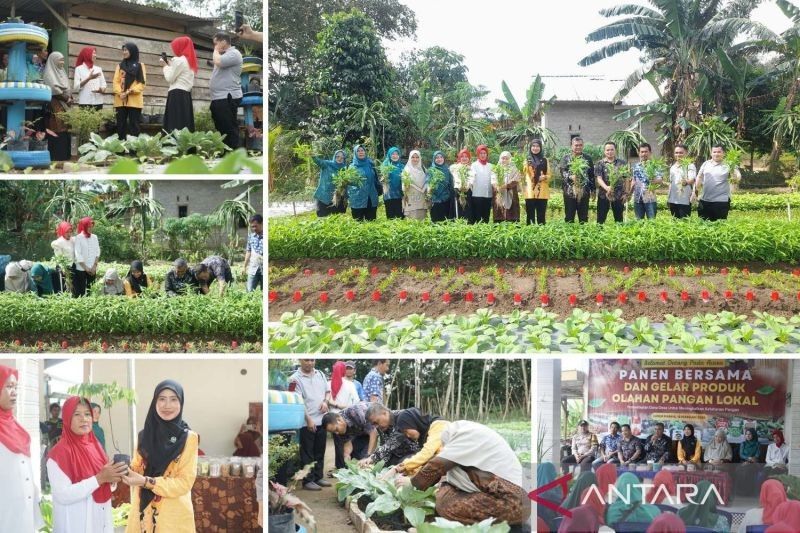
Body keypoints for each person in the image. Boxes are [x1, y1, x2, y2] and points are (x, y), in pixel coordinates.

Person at [398, 420, 530, 526]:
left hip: (515, 502)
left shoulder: (465, 435)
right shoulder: (472, 433)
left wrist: (411, 483)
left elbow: (436, 466)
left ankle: (439, 528)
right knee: (445, 490)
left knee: (446, 504)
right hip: (510, 497)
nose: (444, 448)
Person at [123, 380, 198, 533]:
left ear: (181, 402)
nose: (167, 405)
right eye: (162, 399)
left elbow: (184, 482)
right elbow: (137, 468)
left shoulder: (189, 438)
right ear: (154, 402)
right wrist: (125, 470)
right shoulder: (143, 436)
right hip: (143, 514)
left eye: (173, 399)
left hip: (172, 517)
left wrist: (147, 482)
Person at [47, 396, 127, 533]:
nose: (84, 419)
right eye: (77, 414)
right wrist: (99, 479)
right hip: (75, 522)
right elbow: (63, 494)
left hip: (101, 519)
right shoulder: (59, 453)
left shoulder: (95, 446)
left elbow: (104, 478)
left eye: (87, 414)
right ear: (66, 419)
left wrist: (113, 478)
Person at [0, 365, 44, 532]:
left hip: (23, 515)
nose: (14, 392)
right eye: (9, 386)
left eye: (16, 387)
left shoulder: (16, 427)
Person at [289, 360, 332, 491]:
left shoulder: (321, 374)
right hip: (306, 421)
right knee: (307, 453)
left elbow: (328, 392)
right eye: (306, 359)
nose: (309, 363)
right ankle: (308, 480)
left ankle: (318, 477)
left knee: (320, 450)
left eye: (312, 360)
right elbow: (297, 401)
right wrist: (308, 419)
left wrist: (325, 402)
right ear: (300, 360)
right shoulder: (294, 379)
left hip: (322, 420)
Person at [377, 408, 447, 476]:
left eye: (406, 431)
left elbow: (426, 454)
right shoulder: (424, 435)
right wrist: (407, 472)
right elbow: (425, 462)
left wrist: (398, 468)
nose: (407, 435)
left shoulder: (439, 425)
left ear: (412, 423)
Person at [209, 32, 243, 149]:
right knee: (221, 127)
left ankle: (235, 153)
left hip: (227, 96)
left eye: (216, 43)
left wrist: (215, 50)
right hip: (219, 97)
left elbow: (218, 62)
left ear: (223, 42)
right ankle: (227, 151)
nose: (215, 46)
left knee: (228, 126)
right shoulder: (224, 55)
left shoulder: (234, 53)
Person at [361, 403, 422, 468]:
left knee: (402, 463)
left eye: (376, 422)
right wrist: (373, 463)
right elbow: (384, 446)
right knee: (384, 466)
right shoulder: (381, 426)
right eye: (373, 424)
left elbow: (394, 441)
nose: (376, 426)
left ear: (384, 413)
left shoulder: (402, 416)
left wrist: (373, 458)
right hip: (398, 455)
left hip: (418, 452)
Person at [696, 144, 740, 221]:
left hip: (721, 201)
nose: (716, 154)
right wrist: (695, 192)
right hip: (705, 200)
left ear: (723, 153)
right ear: (711, 153)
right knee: (702, 224)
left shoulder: (729, 164)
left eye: (719, 152)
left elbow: (737, 178)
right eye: (714, 152)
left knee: (720, 225)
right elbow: (699, 177)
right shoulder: (706, 164)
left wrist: (733, 175)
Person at [162, 36, 197, 132]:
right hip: (186, 95)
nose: (174, 50)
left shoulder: (179, 60)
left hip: (176, 94)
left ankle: (172, 146)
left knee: (173, 123)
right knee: (184, 123)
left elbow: (169, 78)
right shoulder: (190, 61)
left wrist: (165, 67)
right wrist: (171, 66)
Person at [42, 51, 73, 162]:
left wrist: (70, 97)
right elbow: (54, 90)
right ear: (54, 60)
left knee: (65, 129)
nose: (62, 62)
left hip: (65, 104)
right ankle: (56, 157)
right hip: (54, 105)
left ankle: (65, 155)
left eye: (63, 59)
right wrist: (66, 99)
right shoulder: (49, 73)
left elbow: (67, 87)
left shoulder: (61, 71)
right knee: (57, 128)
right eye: (60, 59)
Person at [113, 42, 147, 139]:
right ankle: (121, 148)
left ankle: (133, 150)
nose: (124, 52)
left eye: (126, 50)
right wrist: (120, 93)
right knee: (121, 126)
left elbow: (142, 83)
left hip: (134, 101)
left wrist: (128, 92)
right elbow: (116, 82)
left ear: (132, 51)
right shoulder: (119, 66)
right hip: (120, 100)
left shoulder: (140, 66)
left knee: (134, 126)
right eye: (123, 50)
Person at [559, 137, 595, 223]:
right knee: (569, 216)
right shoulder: (566, 158)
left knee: (583, 217)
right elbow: (563, 172)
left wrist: (593, 189)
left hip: (584, 192)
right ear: (571, 146)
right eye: (576, 145)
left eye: (580, 145)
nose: (578, 147)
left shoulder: (587, 158)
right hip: (569, 192)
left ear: (583, 146)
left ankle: (583, 235)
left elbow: (591, 175)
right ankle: (569, 236)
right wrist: (570, 177)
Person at [595, 141, 628, 223]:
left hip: (619, 195)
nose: (610, 152)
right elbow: (599, 178)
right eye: (607, 150)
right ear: (604, 151)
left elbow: (626, 179)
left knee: (619, 219)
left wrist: (626, 193)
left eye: (612, 150)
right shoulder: (600, 164)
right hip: (603, 195)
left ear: (615, 150)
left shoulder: (622, 163)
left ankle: (618, 234)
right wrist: (607, 188)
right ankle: (599, 234)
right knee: (601, 219)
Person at [348, 145, 381, 221]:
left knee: (371, 221)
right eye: (358, 151)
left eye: (362, 150)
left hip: (371, 197)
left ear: (365, 152)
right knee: (358, 222)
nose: (361, 152)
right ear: (355, 153)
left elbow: (375, 179)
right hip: (358, 198)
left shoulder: (370, 164)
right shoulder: (352, 167)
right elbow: (349, 183)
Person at [630, 143, 663, 219]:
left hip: (650, 198)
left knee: (651, 221)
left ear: (650, 152)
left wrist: (654, 181)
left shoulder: (655, 165)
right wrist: (629, 193)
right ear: (639, 153)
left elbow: (660, 180)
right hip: (637, 198)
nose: (644, 154)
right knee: (639, 221)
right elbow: (634, 181)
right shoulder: (636, 166)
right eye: (642, 152)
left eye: (646, 151)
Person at [313, 150, 348, 216]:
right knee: (323, 218)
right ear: (334, 156)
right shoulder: (327, 164)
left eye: (342, 157)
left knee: (337, 219)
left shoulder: (345, 169)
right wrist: (312, 155)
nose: (339, 158)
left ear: (344, 159)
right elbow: (319, 162)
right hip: (324, 197)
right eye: (338, 156)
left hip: (338, 198)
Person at [524, 139, 550, 225]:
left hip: (542, 191)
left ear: (541, 148)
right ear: (530, 147)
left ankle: (541, 236)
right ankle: (530, 235)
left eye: (538, 146)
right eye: (533, 146)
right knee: (530, 216)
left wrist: (544, 177)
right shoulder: (526, 160)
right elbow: (524, 174)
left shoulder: (545, 160)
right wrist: (534, 178)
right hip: (530, 191)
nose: (535, 148)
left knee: (541, 216)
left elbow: (550, 175)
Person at [73, 217, 100, 298]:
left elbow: (97, 251)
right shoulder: (78, 237)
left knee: (91, 289)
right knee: (81, 290)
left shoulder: (95, 237)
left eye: (92, 226)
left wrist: (94, 266)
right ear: (84, 226)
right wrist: (86, 268)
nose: (91, 228)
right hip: (81, 268)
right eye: (89, 226)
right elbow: (78, 254)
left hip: (92, 267)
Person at [668, 144, 696, 218]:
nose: (678, 154)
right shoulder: (672, 167)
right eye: (676, 153)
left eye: (681, 152)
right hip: (673, 200)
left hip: (684, 200)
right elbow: (671, 183)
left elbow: (692, 180)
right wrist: (668, 198)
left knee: (684, 223)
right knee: (675, 222)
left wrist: (686, 182)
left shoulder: (690, 165)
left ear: (686, 153)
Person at [492, 150, 521, 223]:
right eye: (503, 158)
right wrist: (497, 186)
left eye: (506, 158)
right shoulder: (496, 169)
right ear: (500, 159)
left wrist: (506, 186)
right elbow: (493, 180)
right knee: (499, 212)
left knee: (512, 213)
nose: (504, 160)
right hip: (499, 194)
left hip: (511, 194)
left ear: (510, 159)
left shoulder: (514, 169)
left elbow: (516, 180)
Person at [469, 145, 495, 223]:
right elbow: (471, 177)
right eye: (481, 153)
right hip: (477, 195)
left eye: (484, 153)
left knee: (486, 216)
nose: (483, 155)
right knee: (477, 216)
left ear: (487, 154)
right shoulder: (474, 165)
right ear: (478, 154)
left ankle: (485, 233)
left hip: (488, 195)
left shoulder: (491, 166)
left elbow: (493, 179)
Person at [426, 151, 454, 222]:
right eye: (437, 158)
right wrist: (430, 190)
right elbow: (427, 183)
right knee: (435, 222)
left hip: (446, 200)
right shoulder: (431, 170)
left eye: (441, 157)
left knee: (446, 222)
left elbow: (451, 185)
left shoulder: (447, 170)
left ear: (444, 158)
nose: (439, 159)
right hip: (435, 201)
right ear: (434, 159)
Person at [736, 428, 762, 498]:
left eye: (749, 434)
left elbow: (757, 455)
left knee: (747, 471)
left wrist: (750, 460)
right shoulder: (743, 444)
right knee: (739, 469)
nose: (748, 436)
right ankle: (740, 491)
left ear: (753, 435)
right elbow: (741, 454)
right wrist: (747, 459)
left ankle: (748, 491)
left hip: (754, 463)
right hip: (743, 461)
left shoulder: (757, 444)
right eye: (746, 434)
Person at [403, 150, 427, 220]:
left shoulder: (423, 169)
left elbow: (428, 182)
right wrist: (405, 186)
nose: (415, 159)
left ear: (420, 158)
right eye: (413, 157)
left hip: (422, 201)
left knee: (422, 221)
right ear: (410, 158)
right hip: (411, 200)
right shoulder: (406, 170)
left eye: (417, 157)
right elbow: (403, 186)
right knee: (411, 221)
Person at [449, 148, 473, 220]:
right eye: (462, 156)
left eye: (466, 156)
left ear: (469, 158)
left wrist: (466, 187)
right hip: (457, 192)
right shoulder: (453, 167)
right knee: (457, 212)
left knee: (467, 212)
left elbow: (472, 179)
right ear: (459, 157)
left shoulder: (471, 168)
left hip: (467, 192)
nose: (464, 158)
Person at [382, 147, 405, 219]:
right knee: (390, 217)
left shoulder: (402, 167)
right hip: (389, 195)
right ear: (389, 155)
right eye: (393, 154)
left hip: (400, 195)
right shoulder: (385, 166)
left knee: (400, 216)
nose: (395, 156)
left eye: (397, 154)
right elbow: (382, 180)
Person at [51, 221, 74, 292]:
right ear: (62, 231)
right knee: (63, 288)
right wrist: (64, 269)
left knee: (71, 288)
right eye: (67, 232)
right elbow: (59, 257)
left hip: (72, 266)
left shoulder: (72, 240)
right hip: (63, 268)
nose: (69, 234)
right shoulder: (58, 242)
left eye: (70, 232)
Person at [243, 214, 263, 292]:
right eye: (252, 227)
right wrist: (244, 266)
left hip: (263, 268)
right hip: (253, 268)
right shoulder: (251, 236)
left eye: (255, 226)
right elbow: (248, 251)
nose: (254, 228)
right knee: (249, 290)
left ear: (261, 224)